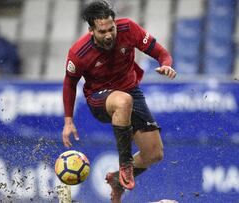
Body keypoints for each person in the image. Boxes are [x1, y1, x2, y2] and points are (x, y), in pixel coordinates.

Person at [61, 1, 176, 203]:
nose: (108, 35)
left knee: (154, 154)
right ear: (91, 31)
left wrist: (166, 65)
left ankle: (116, 179)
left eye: (111, 29)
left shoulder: (128, 29)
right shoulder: (78, 53)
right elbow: (69, 84)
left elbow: (161, 53)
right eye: (102, 31)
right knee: (123, 100)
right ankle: (126, 166)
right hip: (99, 98)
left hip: (131, 90)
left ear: (115, 24)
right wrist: (68, 120)